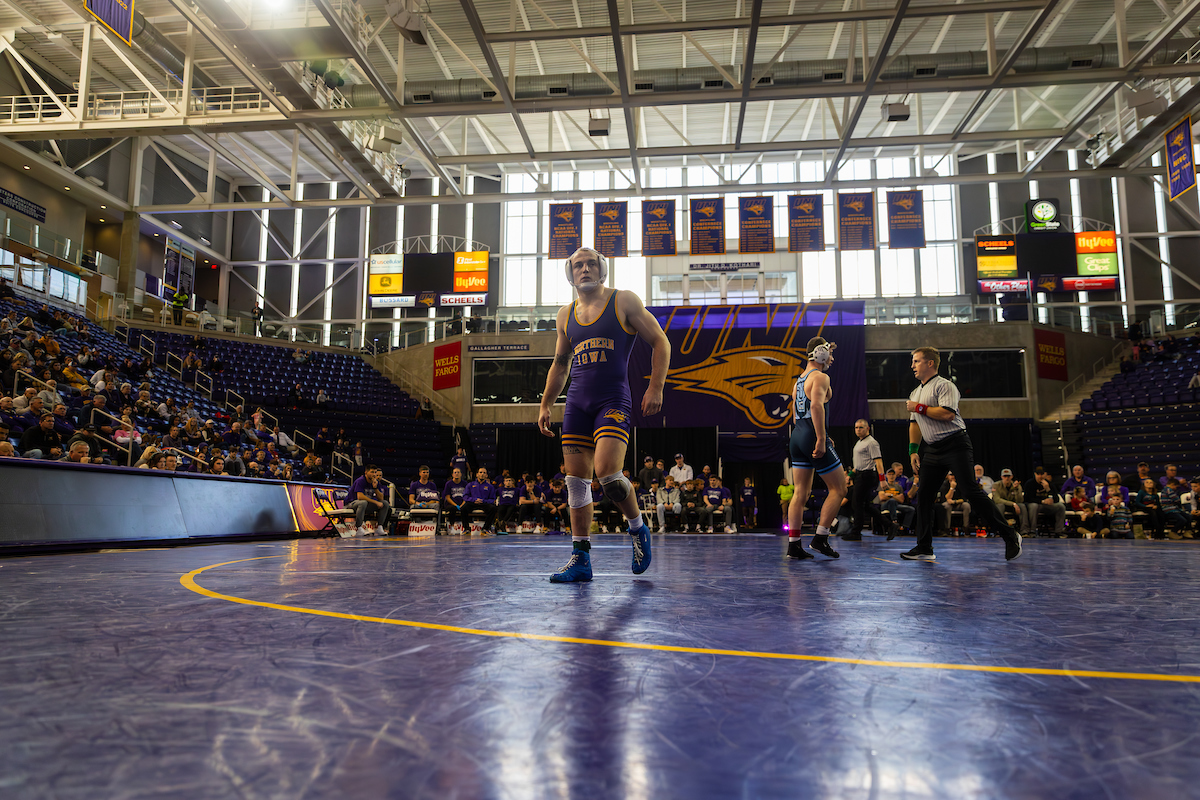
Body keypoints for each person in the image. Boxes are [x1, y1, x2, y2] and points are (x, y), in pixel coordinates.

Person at [537, 247, 671, 583]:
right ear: (570, 273)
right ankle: (580, 558)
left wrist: (655, 388)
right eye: (578, 265)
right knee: (576, 485)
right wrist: (545, 404)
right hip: (577, 405)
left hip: (613, 400)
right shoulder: (565, 315)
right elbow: (560, 363)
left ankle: (638, 528)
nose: (585, 269)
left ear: (603, 269)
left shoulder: (623, 301)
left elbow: (660, 341)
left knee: (608, 475)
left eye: (591, 263)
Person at [904, 346, 1022, 561]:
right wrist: (913, 451)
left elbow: (947, 414)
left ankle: (1010, 535)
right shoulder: (915, 392)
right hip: (932, 449)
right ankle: (924, 548)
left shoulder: (945, 386)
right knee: (924, 496)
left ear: (930, 363)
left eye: (916, 361)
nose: (912, 365)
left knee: (970, 491)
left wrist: (919, 408)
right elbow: (914, 424)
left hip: (955, 444)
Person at [786, 337, 846, 560]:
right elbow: (816, 405)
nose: (832, 357)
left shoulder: (799, 380)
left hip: (798, 435)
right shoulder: (821, 377)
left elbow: (796, 411)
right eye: (830, 352)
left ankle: (794, 545)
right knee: (839, 489)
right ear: (819, 353)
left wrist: (813, 435)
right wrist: (820, 438)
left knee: (800, 492)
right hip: (811, 434)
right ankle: (820, 538)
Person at [847, 418, 890, 541]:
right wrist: (850, 475)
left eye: (861, 427)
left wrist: (882, 479)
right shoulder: (860, 442)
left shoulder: (871, 442)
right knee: (865, 506)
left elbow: (879, 462)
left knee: (857, 504)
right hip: (861, 474)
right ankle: (890, 525)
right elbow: (858, 465)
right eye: (856, 427)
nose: (858, 430)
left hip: (867, 475)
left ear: (867, 428)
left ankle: (856, 533)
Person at [349, 465, 391, 536]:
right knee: (363, 502)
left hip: (365, 505)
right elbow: (360, 497)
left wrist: (375, 488)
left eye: (375, 472)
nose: (374, 474)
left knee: (385, 503)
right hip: (352, 503)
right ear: (366, 472)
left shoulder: (376, 482)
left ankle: (380, 527)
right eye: (372, 472)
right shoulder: (361, 481)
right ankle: (359, 528)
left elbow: (381, 498)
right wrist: (375, 502)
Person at [1023, 467, 1066, 536]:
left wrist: (1048, 489)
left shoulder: (1049, 484)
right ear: (1035, 474)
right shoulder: (1029, 484)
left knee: (1061, 506)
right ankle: (1032, 531)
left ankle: (1059, 531)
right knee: (1034, 506)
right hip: (1035, 505)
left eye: (1042, 474)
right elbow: (1027, 499)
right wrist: (1042, 501)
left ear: (1045, 474)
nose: (1040, 476)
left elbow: (1056, 499)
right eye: (1038, 474)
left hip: (1047, 506)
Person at [462, 467, 498, 533]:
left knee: (493, 508)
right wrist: (474, 500)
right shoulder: (470, 485)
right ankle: (466, 529)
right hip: (473, 503)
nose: (482, 474)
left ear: (486, 475)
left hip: (484, 503)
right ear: (477, 474)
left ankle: (485, 528)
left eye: (484, 473)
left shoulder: (490, 487)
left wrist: (483, 501)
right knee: (463, 508)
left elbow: (492, 499)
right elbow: (465, 496)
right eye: (480, 472)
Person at [441, 467, 468, 534]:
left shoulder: (465, 483)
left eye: (458, 472)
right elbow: (448, 497)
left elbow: (466, 496)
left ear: (461, 474)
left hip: (462, 503)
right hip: (451, 503)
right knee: (452, 509)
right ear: (452, 474)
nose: (456, 474)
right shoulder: (448, 484)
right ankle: (452, 527)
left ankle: (466, 528)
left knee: (466, 508)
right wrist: (456, 505)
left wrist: (462, 505)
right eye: (455, 472)